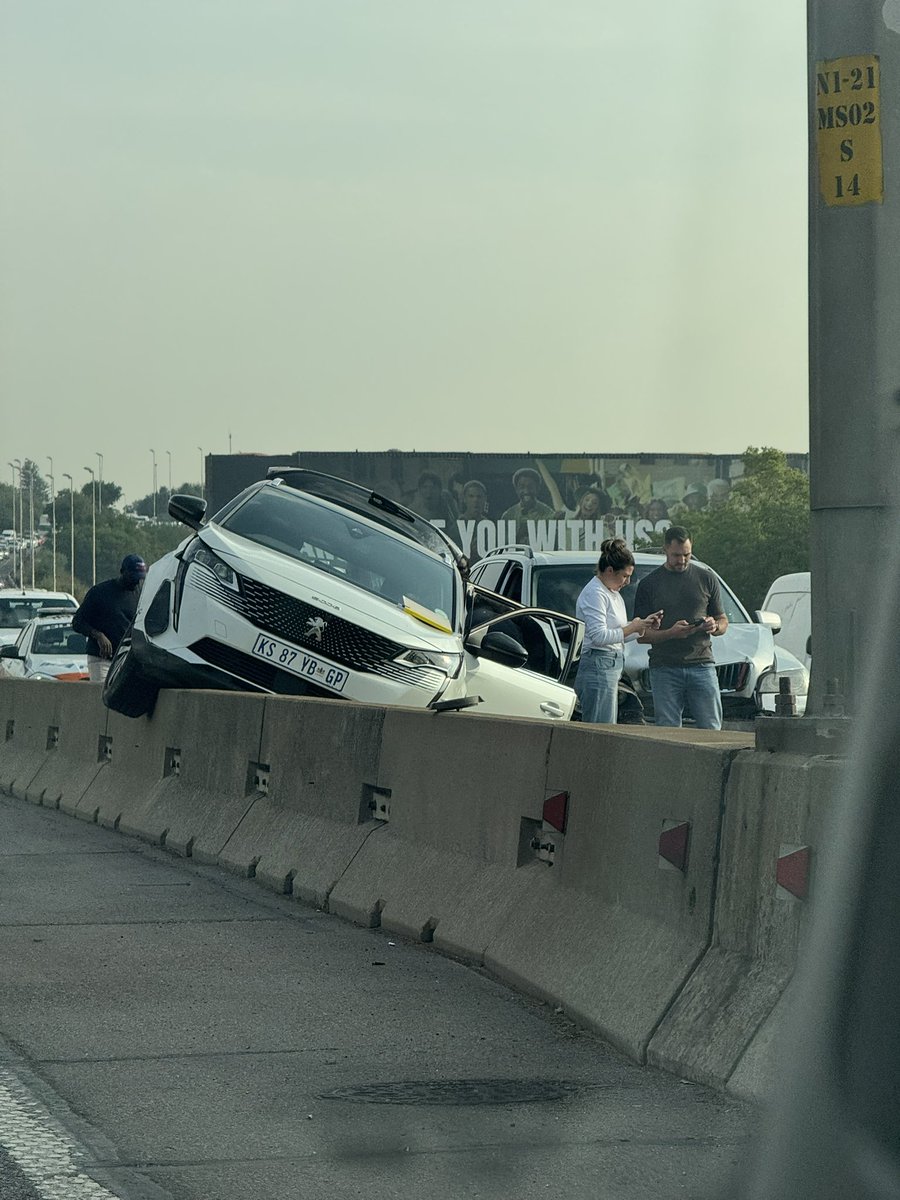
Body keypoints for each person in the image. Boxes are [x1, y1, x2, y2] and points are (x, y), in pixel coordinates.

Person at [632, 525, 728, 728]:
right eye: (676, 555)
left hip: (702, 663)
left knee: (712, 728)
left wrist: (714, 626)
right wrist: (670, 633)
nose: (682, 561)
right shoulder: (649, 584)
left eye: (687, 555)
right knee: (668, 730)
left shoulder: (707, 578)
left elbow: (722, 620)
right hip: (664, 666)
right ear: (665, 549)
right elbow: (641, 635)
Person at [573, 538, 662, 724]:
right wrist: (632, 627)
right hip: (598, 664)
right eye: (624, 576)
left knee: (607, 725)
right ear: (609, 570)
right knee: (600, 727)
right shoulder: (595, 594)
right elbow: (598, 636)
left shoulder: (612, 594)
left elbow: (617, 633)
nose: (628, 581)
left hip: (610, 665)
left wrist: (642, 626)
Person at [72, 554, 148, 682]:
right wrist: (98, 635)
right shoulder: (100, 592)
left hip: (127, 660)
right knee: (101, 697)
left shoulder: (140, 594)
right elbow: (77, 622)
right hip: (101, 659)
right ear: (122, 572)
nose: (136, 582)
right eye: (132, 577)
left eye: (139, 578)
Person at [500, 468, 555, 542]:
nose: (526, 491)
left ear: (537, 488)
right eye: (522, 487)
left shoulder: (548, 514)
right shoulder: (508, 516)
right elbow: (503, 545)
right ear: (516, 489)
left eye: (530, 487)